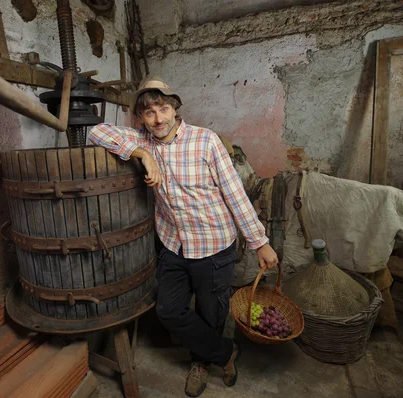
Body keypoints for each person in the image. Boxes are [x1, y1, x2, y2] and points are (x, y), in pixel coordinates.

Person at [88, 76, 278, 397]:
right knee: (169, 311)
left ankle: (200, 361)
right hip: (173, 246)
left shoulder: (206, 141)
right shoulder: (144, 141)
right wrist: (142, 154)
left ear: (175, 109)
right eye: (149, 113)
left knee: (211, 312)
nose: (158, 119)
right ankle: (224, 352)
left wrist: (259, 241)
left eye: (163, 109)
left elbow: (235, 194)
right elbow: (96, 131)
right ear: (141, 118)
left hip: (214, 246)